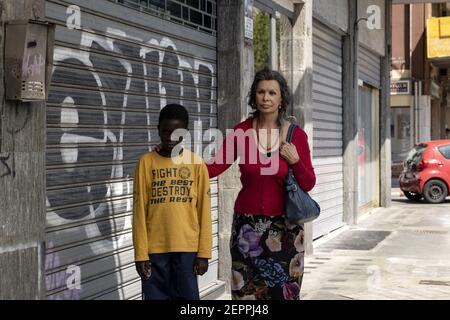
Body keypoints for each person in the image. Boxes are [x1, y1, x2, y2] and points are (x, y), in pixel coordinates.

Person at [206, 67, 316, 300]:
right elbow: (215, 166)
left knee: (283, 294)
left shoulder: (296, 135)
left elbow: (308, 183)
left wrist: (295, 161)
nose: (266, 98)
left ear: (281, 98)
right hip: (247, 228)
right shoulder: (241, 132)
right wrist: (180, 165)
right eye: (261, 92)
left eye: (272, 93)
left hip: (285, 230)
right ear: (254, 97)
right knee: (247, 294)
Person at [132, 103, 212, 300]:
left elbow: (204, 211)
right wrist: (140, 254)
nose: (170, 138)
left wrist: (204, 252)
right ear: (157, 129)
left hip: (187, 250)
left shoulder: (196, 163)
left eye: (176, 133)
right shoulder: (146, 163)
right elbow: (139, 212)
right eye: (165, 131)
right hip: (154, 252)